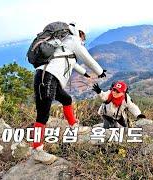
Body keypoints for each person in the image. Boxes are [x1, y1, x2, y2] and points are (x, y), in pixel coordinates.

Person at [31, 22, 107, 164]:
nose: (83, 42)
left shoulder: (63, 43)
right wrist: (100, 71)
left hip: (51, 78)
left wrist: (85, 74)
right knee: (42, 115)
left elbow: (72, 62)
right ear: (80, 35)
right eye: (83, 39)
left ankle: (74, 126)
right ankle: (37, 150)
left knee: (66, 99)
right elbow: (87, 58)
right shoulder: (73, 40)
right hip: (46, 78)